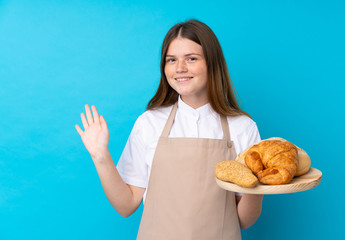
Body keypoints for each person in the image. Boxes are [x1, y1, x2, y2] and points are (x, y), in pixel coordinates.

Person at [75, 19, 263, 240]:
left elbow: (243, 220)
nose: (180, 68)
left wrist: (257, 183)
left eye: (191, 59)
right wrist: (100, 156)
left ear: (212, 63)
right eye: (171, 60)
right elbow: (126, 205)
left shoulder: (242, 127)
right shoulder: (149, 123)